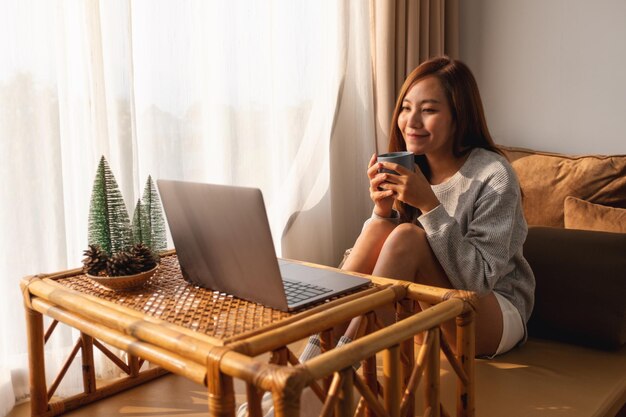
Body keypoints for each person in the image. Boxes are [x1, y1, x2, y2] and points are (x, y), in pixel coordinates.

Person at [340, 56, 535, 357]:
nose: (411, 122)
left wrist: (429, 205)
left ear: (460, 116)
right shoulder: (413, 168)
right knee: (385, 229)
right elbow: (372, 267)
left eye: (429, 110)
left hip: (493, 310)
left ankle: (336, 367)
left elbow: (479, 281)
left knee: (408, 236)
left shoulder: (494, 175)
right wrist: (383, 211)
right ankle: (311, 363)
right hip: (429, 304)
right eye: (406, 108)